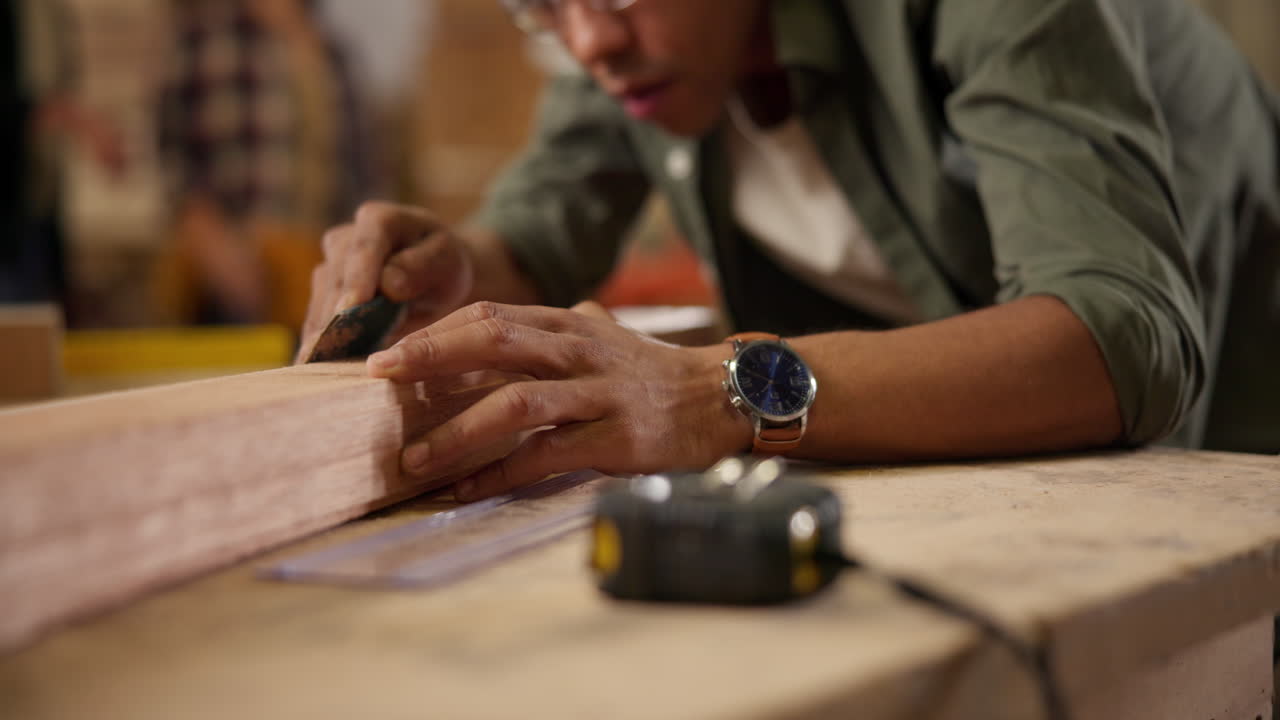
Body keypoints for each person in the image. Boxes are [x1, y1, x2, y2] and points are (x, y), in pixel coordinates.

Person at [300, 0, 1280, 502]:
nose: (590, 42)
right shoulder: (638, 51)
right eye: (541, 7)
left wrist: (713, 393)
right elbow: (537, 230)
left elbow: (1115, 341)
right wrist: (452, 274)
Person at [158, 0, 376, 327]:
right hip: (229, 270)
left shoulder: (335, 52)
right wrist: (215, 247)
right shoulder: (205, 40)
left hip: (313, 269)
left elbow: (361, 174)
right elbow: (175, 162)